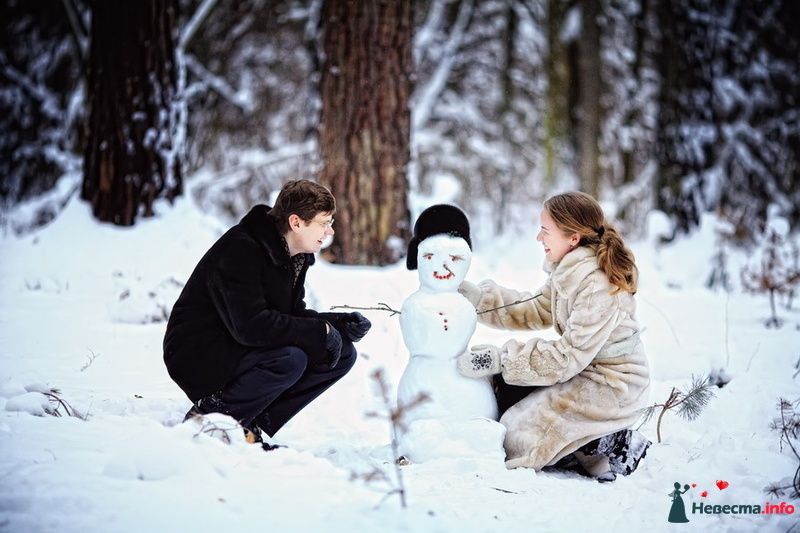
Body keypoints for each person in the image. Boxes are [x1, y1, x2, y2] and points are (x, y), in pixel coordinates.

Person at [456, 191, 651, 480]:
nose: (539, 238)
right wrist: (481, 299)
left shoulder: (596, 286)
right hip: (584, 370)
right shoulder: (569, 271)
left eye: (545, 230)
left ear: (573, 238)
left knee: (516, 438)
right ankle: (582, 446)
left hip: (612, 385)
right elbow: (537, 308)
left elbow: (566, 358)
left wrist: (502, 359)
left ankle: (609, 443)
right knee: (505, 389)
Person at [163, 179, 371, 449]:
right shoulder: (241, 249)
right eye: (324, 223)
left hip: (237, 345)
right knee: (290, 359)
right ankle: (211, 417)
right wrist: (320, 332)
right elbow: (251, 326)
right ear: (296, 223)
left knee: (341, 353)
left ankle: (250, 425)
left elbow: (290, 314)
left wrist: (337, 325)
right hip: (198, 353)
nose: (330, 231)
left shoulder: (294, 254)